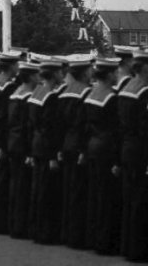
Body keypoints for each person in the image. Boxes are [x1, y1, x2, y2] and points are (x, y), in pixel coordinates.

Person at [117, 46, 148, 262]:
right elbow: (147, 127)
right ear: (144, 67)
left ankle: (127, 245)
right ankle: (138, 248)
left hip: (127, 146)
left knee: (130, 197)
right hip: (141, 148)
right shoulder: (145, 91)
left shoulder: (127, 88)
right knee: (140, 199)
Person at [84, 57, 122, 255]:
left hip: (92, 146)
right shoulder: (111, 97)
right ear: (108, 75)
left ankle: (94, 237)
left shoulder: (91, 94)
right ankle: (105, 242)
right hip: (107, 148)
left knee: (94, 194)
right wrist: (117, 159)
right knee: (107, 197)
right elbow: (115, 129)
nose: (117, 76)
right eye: (115, 73)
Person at [28, 57, 66, 244]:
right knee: (46, 191)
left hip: (36, 144)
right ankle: (45, 232)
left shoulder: (37, 92)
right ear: (54, 74)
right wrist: (53, 155)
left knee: (37, 189)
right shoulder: (50, 97)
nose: (62, 75)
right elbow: (51, 127)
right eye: (60, 72)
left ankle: (36, 228)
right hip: (46, 147)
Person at [59, 55, 93, 249]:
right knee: (79, 192)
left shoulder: (63, 92)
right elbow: (83, 124)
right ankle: (76, 236)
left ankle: (66, 232)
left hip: (66, 144)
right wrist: (82, 149)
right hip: (79, 146)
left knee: (68, 189)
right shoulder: (85, 93)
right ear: (84, 72)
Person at [0, 52, 20, 234]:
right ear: (11, 66)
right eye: (17, 64)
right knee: (1, 179)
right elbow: (4, 115)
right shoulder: (7, 86)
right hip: (2, 135)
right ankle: (0, 221)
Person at [7, 60, 39, 239]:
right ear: (32, 76)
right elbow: (28, 126)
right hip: (23, 145)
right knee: (22, 187)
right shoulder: (27, 96)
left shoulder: (15, 94)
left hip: (13, 142)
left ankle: (14, 224)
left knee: (15, 185)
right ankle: (20, 226)